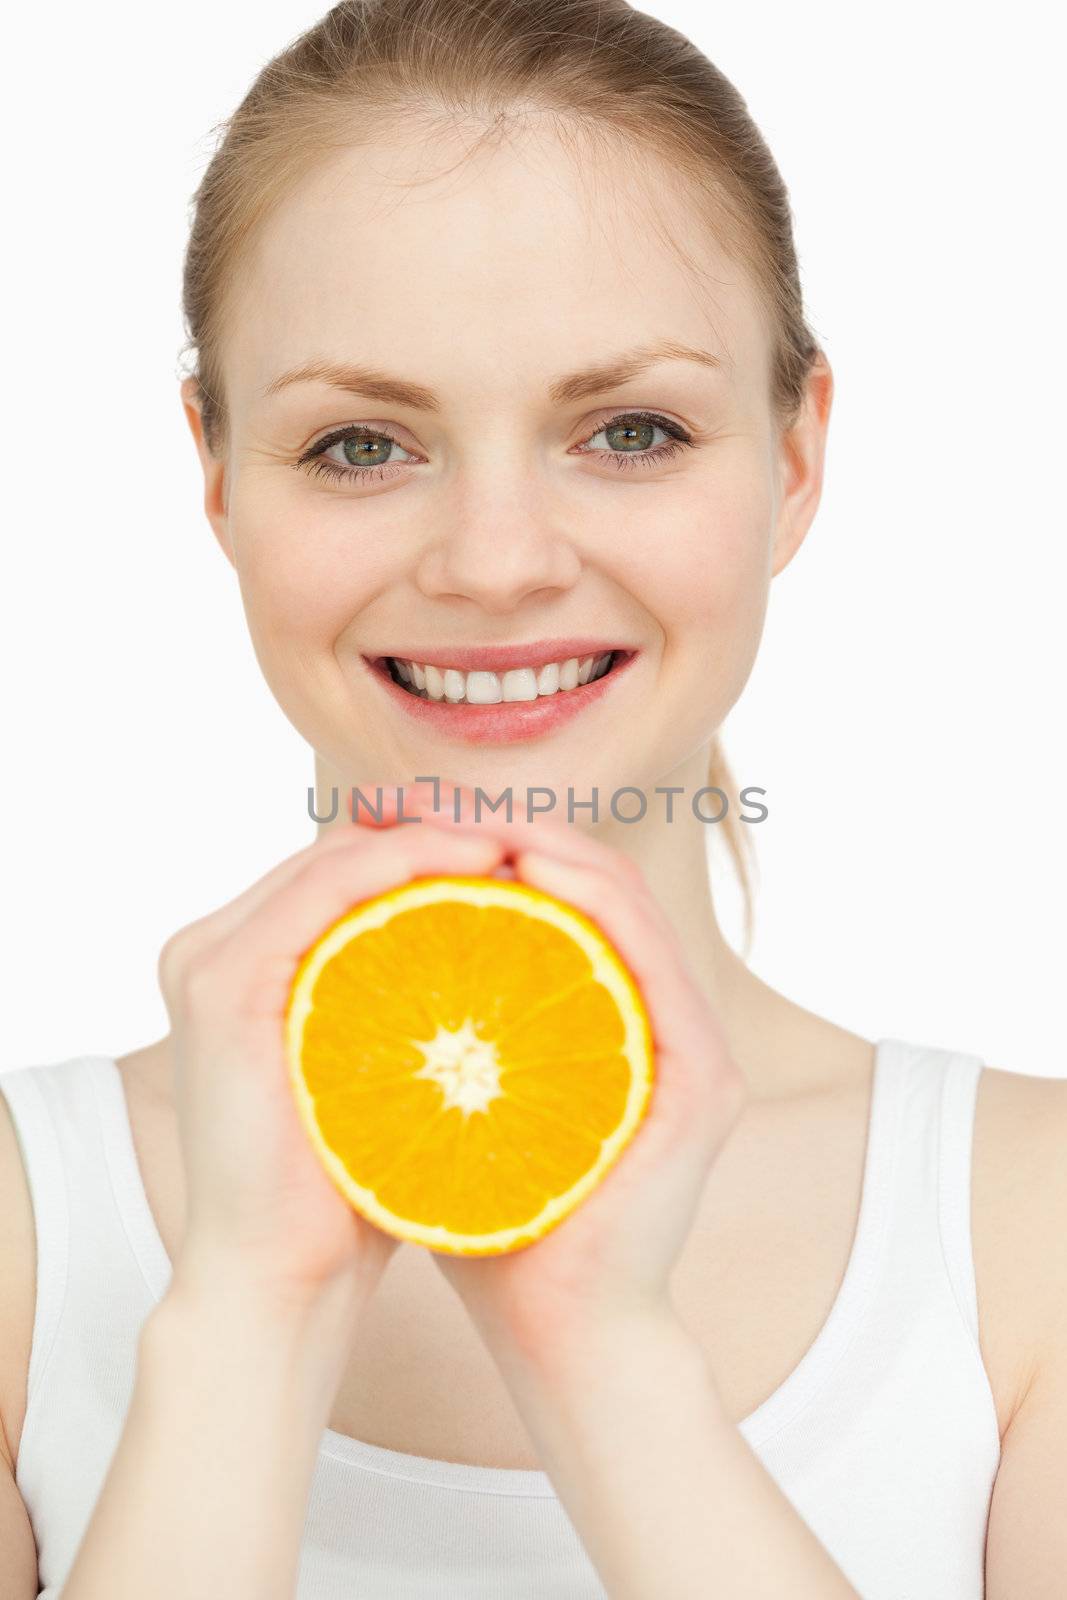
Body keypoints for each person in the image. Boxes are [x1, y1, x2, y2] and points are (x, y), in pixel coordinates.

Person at [1, 1, 1064, 1595]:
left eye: (631, 430)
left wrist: (603, 1357)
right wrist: (245, 1319)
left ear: (793, 458)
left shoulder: (1029, 1237)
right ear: (217, 478)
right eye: (361, 445)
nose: (496, 561)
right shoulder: (29, 1236)